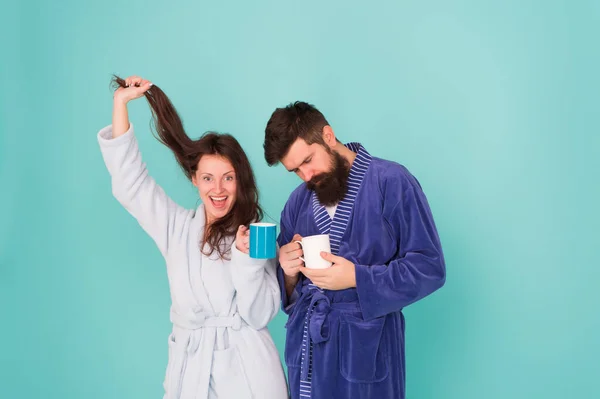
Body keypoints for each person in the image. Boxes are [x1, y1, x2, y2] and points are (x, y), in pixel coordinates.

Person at [97, 75, 288, 399]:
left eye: (228, 178)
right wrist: (121, 103)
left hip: (248, 376)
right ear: (194, 180)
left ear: (240, 181)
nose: (218, 189)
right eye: (208, 178)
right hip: (190, 372)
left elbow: (259, 315)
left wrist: (248, 260)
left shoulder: (256, 234)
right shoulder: (176, 228)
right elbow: (132, 184)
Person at [263, 101, 446, 399]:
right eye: (295, 170)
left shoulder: (391, 182)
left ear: (328, 136)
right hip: (309, 351)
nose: (306, 176)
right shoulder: (297, 203)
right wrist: (288, 271)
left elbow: (430, 267)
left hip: (365, 351)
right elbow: (288, 295)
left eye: (308, 160)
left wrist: (358, 278)